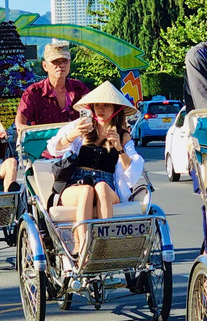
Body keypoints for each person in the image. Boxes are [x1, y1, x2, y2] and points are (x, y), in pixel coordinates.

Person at [45, 82, 144, 253]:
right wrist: (73, 135)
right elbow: (54, 148)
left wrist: (119, 148)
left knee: (101, 187)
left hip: (106, 185)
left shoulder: (123, 135)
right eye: (97, 105)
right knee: (86, 191)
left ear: (116, 108)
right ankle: (81, 244)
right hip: (76, 183)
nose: (101, 109)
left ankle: (105, 244)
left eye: (106, 105)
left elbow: (132, 172)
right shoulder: (81, 126)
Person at [16, 43, 91, 128]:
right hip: (45, 140)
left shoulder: (79, 88)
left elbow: (91, 115)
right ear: (45, 66)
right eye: (55, 62)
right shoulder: (33, 92)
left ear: (69, 64)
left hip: (77, 139)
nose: (61, 65)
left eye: (65, 61)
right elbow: (20, 123)